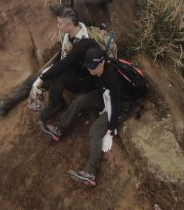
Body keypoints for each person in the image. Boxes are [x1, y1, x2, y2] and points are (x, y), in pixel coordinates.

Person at [40, 46, 138, 188]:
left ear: (102, 62)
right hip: (104, 97)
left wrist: (110, 131)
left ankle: (90, 172)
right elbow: (98, 90)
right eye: (89, 67)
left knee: (95, 130)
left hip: (121, 106)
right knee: (81, 101)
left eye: (93, 67)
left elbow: (114, 106)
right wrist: (94, 105)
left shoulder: (113, 78)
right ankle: (59, 129)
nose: (90, 70)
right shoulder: (96, 72)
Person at [0, 8, 96, 120]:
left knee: (56, 77)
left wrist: (42, 78)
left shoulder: (84, 44)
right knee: (33, 79)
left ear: (70, 24)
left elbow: (64, 64)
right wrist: (42, 75)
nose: (57, 25)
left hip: (82, 80)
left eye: (60, 23)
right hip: (69, 70)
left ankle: (55, 104)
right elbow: (62, 54)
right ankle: (4, 105)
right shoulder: (70, 34)